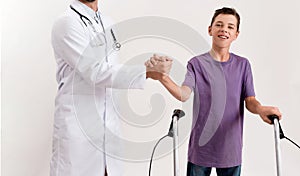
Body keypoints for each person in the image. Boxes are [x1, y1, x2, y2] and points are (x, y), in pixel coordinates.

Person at [146, 7, 282, 176]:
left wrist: (262, 110)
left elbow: (250, 101)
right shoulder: (196, 64)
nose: (224, 29)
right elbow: (184, 94)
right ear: (210, 29)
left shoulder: (243, 65)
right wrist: (162, 77)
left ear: (236, 34)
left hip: (230, 150)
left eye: (230, 27)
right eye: (219, 24)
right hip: (201, 149)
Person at [50, 0, 172, 175]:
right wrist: (146, 72)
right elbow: (94, 71)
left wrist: (148, 67)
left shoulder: (108, 23)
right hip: (78, 127)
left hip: (109, 126)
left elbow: (110, 70)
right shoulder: (67, 23)